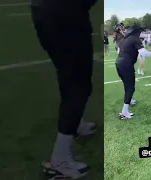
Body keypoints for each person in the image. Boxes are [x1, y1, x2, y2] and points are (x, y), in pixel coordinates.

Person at [30, 0, 97, 179]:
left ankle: (76, 123)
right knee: (79, 86)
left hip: (45, 11)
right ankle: (60, 161)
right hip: (65, 14)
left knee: (68, 75)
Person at [116, 24, 151, 120]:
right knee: (130, 87)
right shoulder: (135, 39)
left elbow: (119, 51)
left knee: (127, 85)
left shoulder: (124, 39)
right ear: (137, 32)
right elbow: (144, 53)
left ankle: (129, 100)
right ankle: (124, 112)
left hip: (118, 63)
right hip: (126, 65)